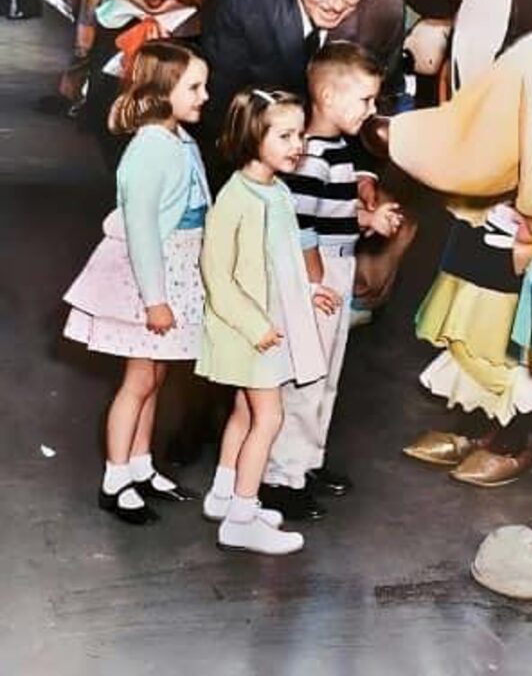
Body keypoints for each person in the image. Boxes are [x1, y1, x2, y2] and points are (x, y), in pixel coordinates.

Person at [63, 41, 211, 524]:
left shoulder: (179, 139)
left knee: (157, 376)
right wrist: (156, 300)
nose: (205, 95)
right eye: (194, 87)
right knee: (139, 379)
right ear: (162, 91)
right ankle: (115, 478)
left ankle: (142, 465)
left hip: (178, 265)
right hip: (148, 277)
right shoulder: (149, 149)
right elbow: (144, 229)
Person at [259, 42, 402, 520]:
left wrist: (366, 218)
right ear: (325, 94)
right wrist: (316, 282)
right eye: (364, 100)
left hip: (334, 268)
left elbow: (329, 214)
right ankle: (280, 477)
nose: (371, 110)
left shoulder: (336, 150)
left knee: (325, 376)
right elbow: (298, 227)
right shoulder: (310, 158)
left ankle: (307, 460)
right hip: (313, 277)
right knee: (303, 378)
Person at [197, 89, 327, 554]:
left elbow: (283, 259)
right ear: (254, 135)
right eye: (286, 135)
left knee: (244, 410)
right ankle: (242, 517)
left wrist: (311, 290)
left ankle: (225, 493)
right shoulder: (235, 197)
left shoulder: (277, 191)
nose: (299, 145)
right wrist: (256, 328)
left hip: (266, 327)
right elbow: (217, 276)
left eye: (301, 135)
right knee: (268, 417)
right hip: (248, 333)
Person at [200, 0, 404, 179]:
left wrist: (365, 173)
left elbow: (381, 101)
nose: (337, 2)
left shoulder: (385, 11)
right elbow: (221, 108)